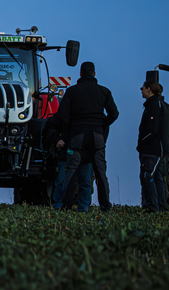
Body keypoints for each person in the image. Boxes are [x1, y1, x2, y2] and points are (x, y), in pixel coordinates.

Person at [51, 61, 119, 211]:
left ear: (80, 73)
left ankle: (66, 205)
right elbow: (114, 114)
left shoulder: (72, 91)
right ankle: (105, 206)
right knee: (100, 173)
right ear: (94, 74)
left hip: (78, 135)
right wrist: (101, 125)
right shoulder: (104, 91)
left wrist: (70, 129)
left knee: (72, 170)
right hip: (97, 137)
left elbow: (63, 114)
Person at [136, 78, 169, 212]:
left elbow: (152, 130)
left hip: (153, 148)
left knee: (147, 176)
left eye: (142, 87)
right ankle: (161, 207)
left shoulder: (155, 106)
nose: (141, 90)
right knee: (157, 177)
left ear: (149, 89)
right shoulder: (155, 105)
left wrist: (142, 142)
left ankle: (152, 207)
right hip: (154, 148)